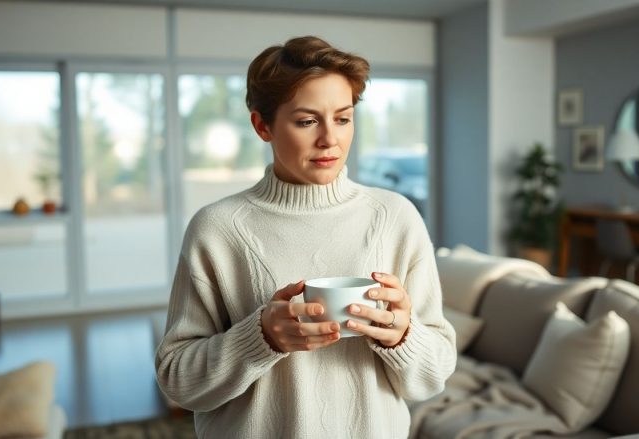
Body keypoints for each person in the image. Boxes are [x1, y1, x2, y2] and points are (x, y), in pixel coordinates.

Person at [155, 35, 456, 438]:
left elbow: (431, 378)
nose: (330, 139)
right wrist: (260, 337)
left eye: (343, 118)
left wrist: (403, 336)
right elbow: (178, 381)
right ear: (263, 126)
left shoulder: (395, 217)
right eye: (307, 121)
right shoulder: (217, 228)